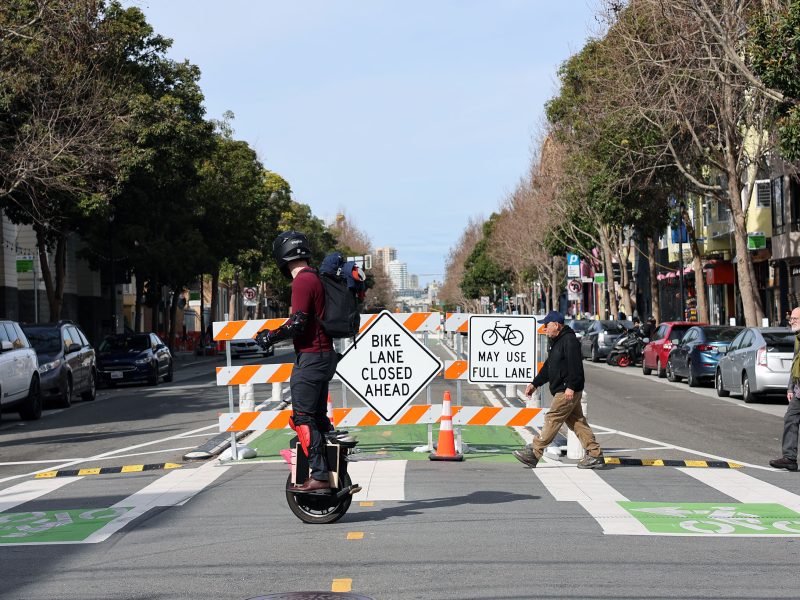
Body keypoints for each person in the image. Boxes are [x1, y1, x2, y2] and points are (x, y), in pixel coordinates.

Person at [256, 231, 339, 492]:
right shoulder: (317, 278)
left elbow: (298, 322)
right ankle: (334, 468)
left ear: (282, 256)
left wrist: (270, 336)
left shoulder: (302, 282)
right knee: (317, 416)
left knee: (302, 417)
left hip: (312, 358)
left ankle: (319, 475)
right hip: (325, 357)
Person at [512, 310, 604, 469]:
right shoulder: (556, 342)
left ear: (557, 325)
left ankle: (535, 452)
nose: (544, 329)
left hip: (567, 390)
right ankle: (595, 454)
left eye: (547, 325)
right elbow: (549, 367)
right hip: (565, 389)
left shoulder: (569, 341)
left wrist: (570, 387)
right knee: (577, 423)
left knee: (552, 418)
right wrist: (535, 384)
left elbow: (575, 367)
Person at [771, 307, 800, 471]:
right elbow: (795, 364)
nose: (791, 322)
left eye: (795, 319)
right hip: (798, 389)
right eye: (791, 319)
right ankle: (789, 458)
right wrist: (791, 387)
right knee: (791, 418)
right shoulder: (797, 338)